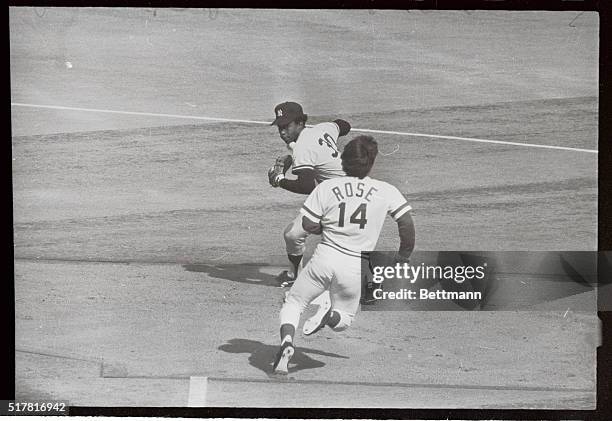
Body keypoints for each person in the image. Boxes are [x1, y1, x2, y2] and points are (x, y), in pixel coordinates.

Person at [272, 135, 416, 374]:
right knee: (345, 320)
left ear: (342, 160)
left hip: (325, 257)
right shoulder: (386, 190)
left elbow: (307, 224)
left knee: (294, 302)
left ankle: (287, 343)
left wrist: (325, 228)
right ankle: (329, 316)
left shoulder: (326, 187)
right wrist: (403, 256)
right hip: (356, 266)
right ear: (371, 163)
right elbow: (406, 224)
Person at [268, 101, 351, 287]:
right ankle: (296, 275)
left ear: (300, 123)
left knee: (341, 250)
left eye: (286, 126)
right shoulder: (322, 129)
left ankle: (367, 285)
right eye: (280, 127)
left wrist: (280, 180)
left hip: (343, 200)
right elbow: (344, 125)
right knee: (292, 235)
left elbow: (306, 186)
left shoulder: (303, 147)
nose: (282, 132)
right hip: (338, 192)